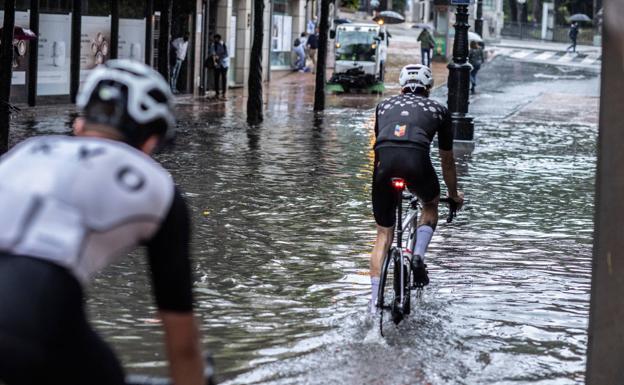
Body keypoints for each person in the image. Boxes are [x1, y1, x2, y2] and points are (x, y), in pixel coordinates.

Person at [0, 60, 205, 385]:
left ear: (80, 124)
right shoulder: (157, 185)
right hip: (32, 316)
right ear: (151, 142)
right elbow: (183, 344)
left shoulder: (24, 152)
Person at [369, 64, 464, 312]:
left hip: (383, 168)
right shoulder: (439, 110)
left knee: (383, 235)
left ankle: (373, 304)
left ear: (401, 87)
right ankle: (418, 255)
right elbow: (447, 161)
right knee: (430, 204)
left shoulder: (383, 106)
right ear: (429, 88)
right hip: (417, 164)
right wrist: (453, 195)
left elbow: (382, 145)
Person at [208, 34, 229, 100]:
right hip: (217, 64)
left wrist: (219, 57)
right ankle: (217, 93)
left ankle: (224, 93)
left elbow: (226, 54)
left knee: (224, 79)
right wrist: (215, 60)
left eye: (216, 39)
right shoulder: (213, 45)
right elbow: (212, 53)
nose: (215, 40)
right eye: (215, 39)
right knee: (216, 78)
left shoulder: (224, 44)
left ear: (219, 39)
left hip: (224, 64)